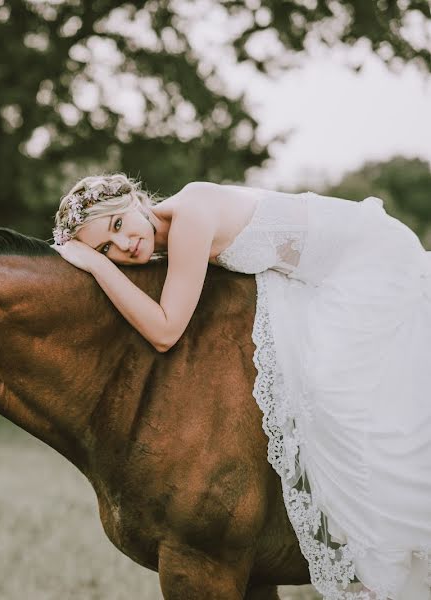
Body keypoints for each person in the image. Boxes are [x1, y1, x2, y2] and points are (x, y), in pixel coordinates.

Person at [51, 173, 431, 599]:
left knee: (328, 388)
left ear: (136, 201)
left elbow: (165, 329)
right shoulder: (166, 244)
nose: (123, 245)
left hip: (366, 265)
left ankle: (389, 525)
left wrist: (95, 264)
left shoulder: (192, 214)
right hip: (314, 281)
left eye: (118, 224)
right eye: (106, 247)